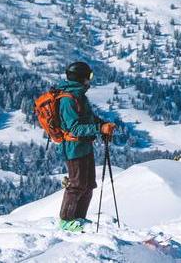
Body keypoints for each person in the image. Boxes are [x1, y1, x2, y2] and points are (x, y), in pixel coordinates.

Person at [55, 61, 117, 233]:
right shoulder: (68, 100)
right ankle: (66, 220)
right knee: (76, 184)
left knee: (88, 184)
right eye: (88, 77)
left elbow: (88, 118)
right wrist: (99, 128)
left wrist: (102, 124)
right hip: (74, 148)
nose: (90, 80)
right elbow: (74, 128)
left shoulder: (79, 96)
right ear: (80, 78)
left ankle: (79, 218)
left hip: (85, 146)